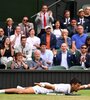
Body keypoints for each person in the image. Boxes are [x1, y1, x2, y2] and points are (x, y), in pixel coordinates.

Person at [0, 78, 90, 94]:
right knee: (21, 92)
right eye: (77, 86)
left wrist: (87, 86)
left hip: (44, 87)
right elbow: (51, 87)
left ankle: (22, 87)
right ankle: (2, 91)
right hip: (43, 89)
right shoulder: (65, 87)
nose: (78, 88)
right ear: (73, 85)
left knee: (22, 89)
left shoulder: (74, 88)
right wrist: (42, 85)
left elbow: (84, 86)